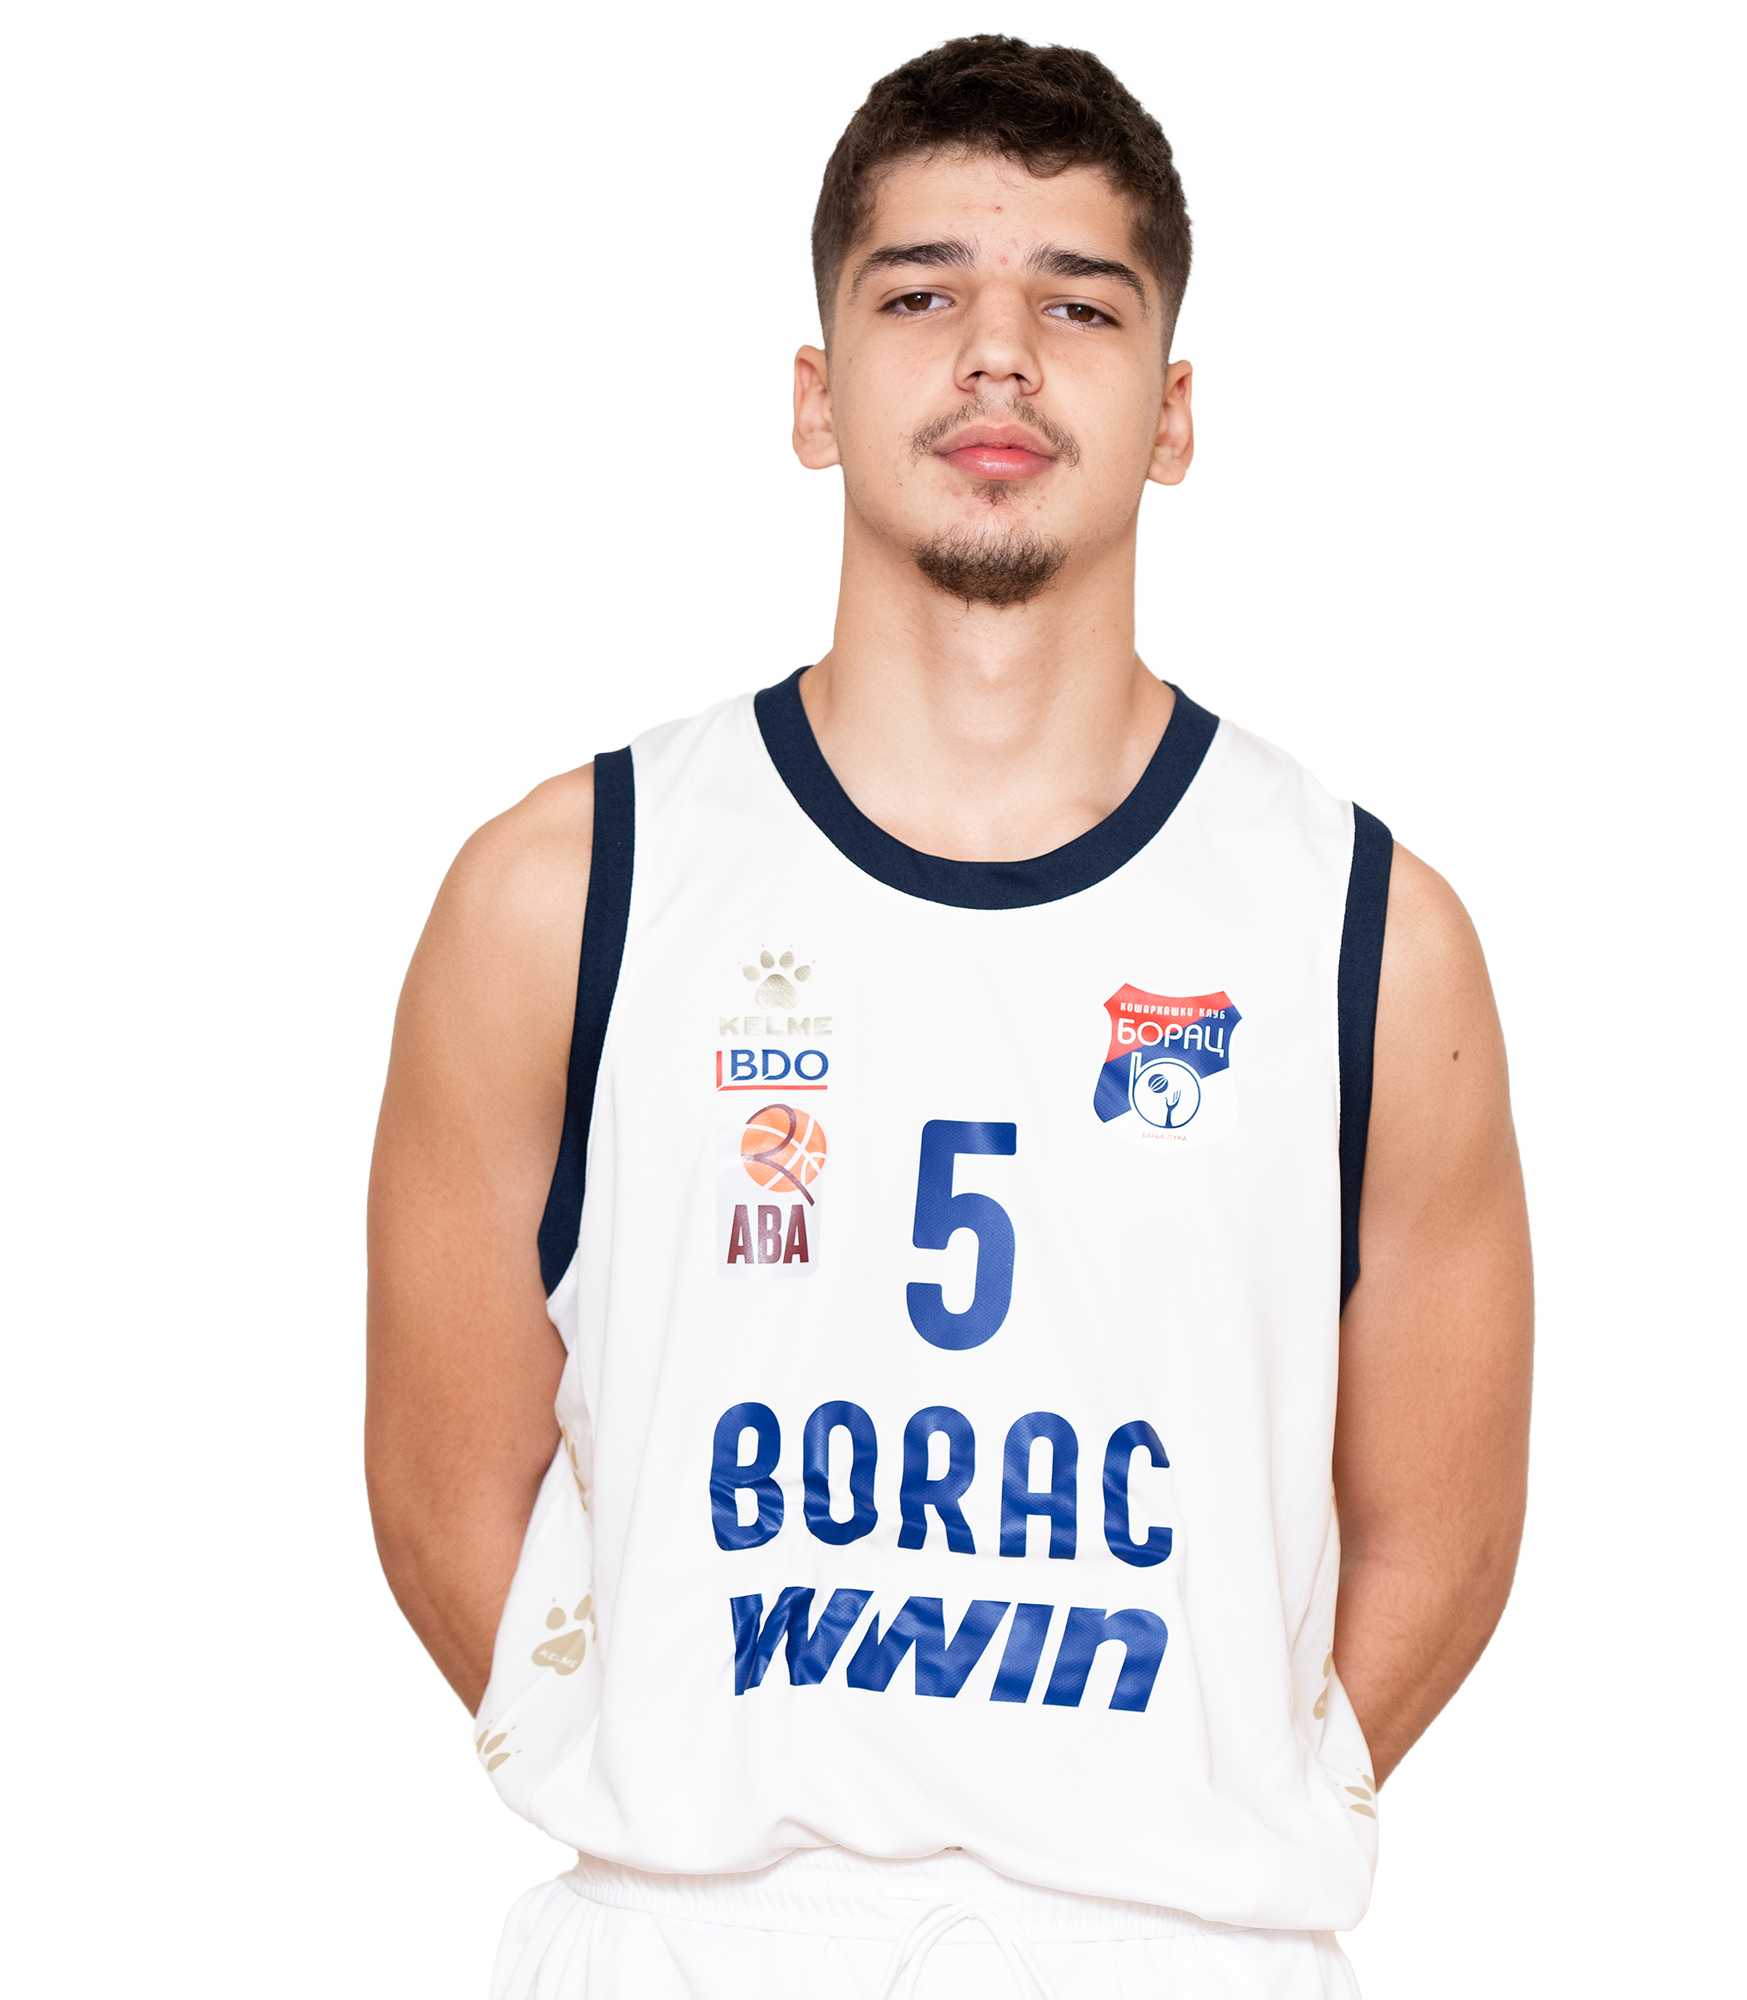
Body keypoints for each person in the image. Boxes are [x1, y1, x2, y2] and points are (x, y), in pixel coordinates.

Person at [367, 32, 1532, 1999]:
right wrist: (685, 1795)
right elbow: (435, 1487)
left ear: (1170, 414)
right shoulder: (561, 896)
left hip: (1165, 1949)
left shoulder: (1369, 935)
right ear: (815, 395)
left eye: (1078, 305)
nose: (999, 356)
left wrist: (1184, 1844)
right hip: (699, 1942)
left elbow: (1447, 1528)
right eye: (920, 297)